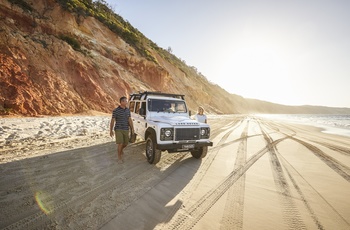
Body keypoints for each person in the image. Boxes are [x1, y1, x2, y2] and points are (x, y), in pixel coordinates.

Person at [109, 96, 134, 164]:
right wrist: (111, 130)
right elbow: (113, 120)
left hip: (126, 129)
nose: (127, 102)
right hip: (118, 129)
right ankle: (119, 157)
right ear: (122, 102)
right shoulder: (115, 111)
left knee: (126, 143)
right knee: (120, 143)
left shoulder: (128, 110)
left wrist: (132, 128)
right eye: (125, 101)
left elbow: (129, 119)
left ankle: (121, 150)